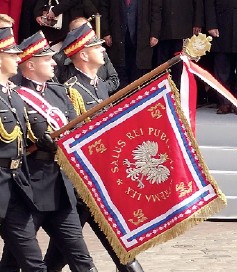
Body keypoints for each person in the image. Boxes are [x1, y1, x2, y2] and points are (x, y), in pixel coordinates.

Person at [44, 23, 143, 272]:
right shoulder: (71, 91)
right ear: (83, 54)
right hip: (82, 189)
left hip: (102, 187)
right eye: (96, 46)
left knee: (125, 256)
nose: (102, 50)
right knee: (59, 257)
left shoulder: (100, 85)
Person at [0, 30, 97, 272]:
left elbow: (74, 130)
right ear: (30, 64)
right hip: (28, 187)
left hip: (58, 185)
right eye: (47, 59)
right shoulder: (17, 94)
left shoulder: (58, 92)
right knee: (21, 261)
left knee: (81, 258)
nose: (54, 62)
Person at [0, 19, 48, 272]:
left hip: (16, 184)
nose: (17, 58)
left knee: (32, 261)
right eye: (11, 53)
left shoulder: (14, 94)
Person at [100, 0, 162, 87]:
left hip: (142, 35)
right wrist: (106, 32)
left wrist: (155, 33)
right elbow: (103, 9)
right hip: (117, 35)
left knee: (139, 74)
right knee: (120, 71)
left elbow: (156, 9)